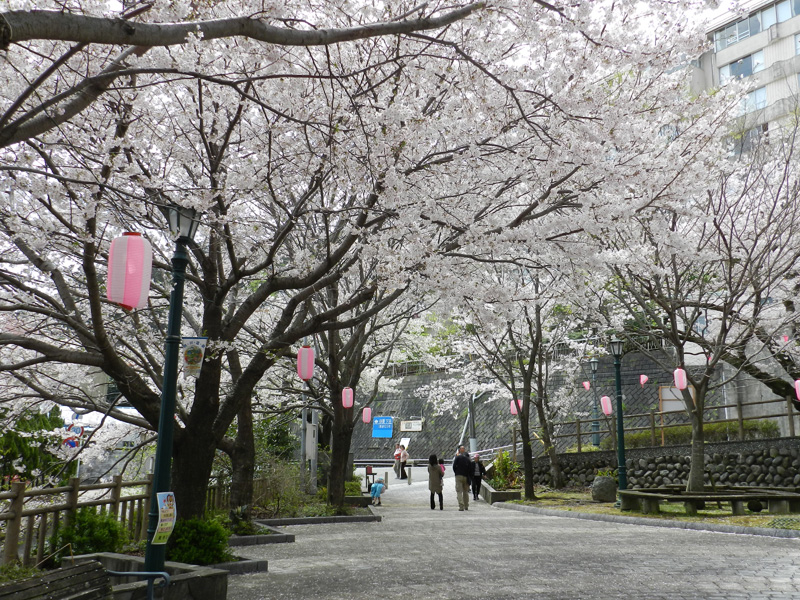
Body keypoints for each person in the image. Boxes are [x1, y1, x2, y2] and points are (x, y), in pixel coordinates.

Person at [452, 445, 472, 511]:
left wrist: (456, 472)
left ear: (459, 450)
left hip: (458, 476)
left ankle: (461, 506)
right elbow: (470, 469)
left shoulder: (457, 458)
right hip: (465, 476)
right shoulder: (467, 459)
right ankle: (466, 506)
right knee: (465, 491)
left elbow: (454, 466)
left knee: (459, 491)